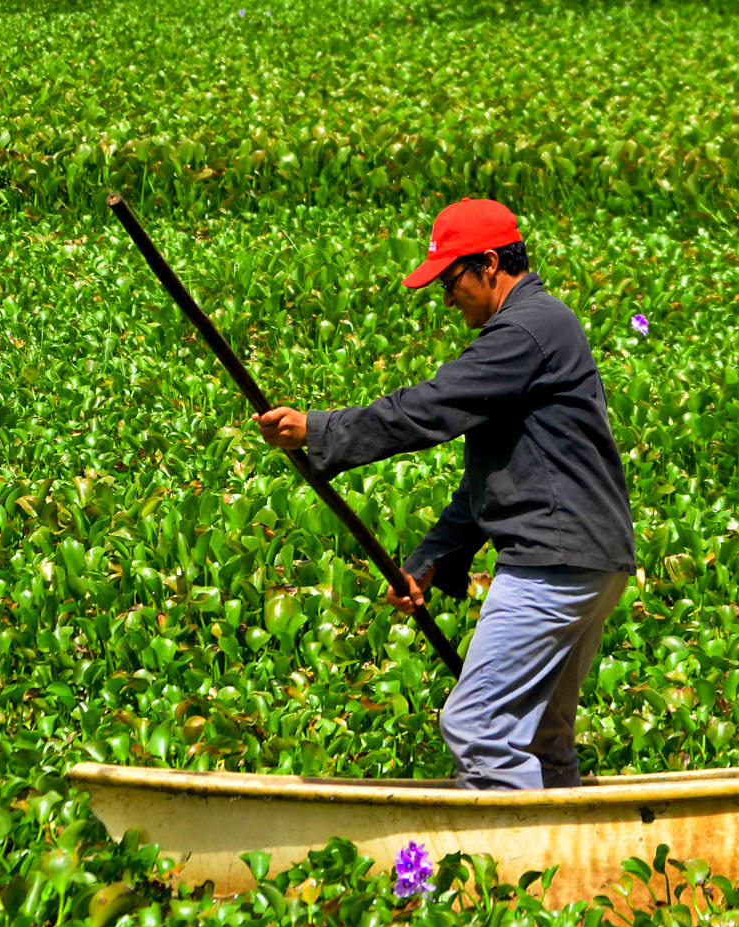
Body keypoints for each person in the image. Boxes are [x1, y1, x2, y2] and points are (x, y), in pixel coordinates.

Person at [253, 197, 636, 789]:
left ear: (488, 264)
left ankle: (509, 877)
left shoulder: (528, 330)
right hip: (588, 559)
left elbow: (429, 408)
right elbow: (493, 478)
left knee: (478, 725)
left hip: (552, 563)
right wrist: (431, 562)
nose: (446, 296)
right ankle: (565, 865)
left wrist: (320, 429)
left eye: (450, 279)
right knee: (540, 737)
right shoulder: (533, 332)